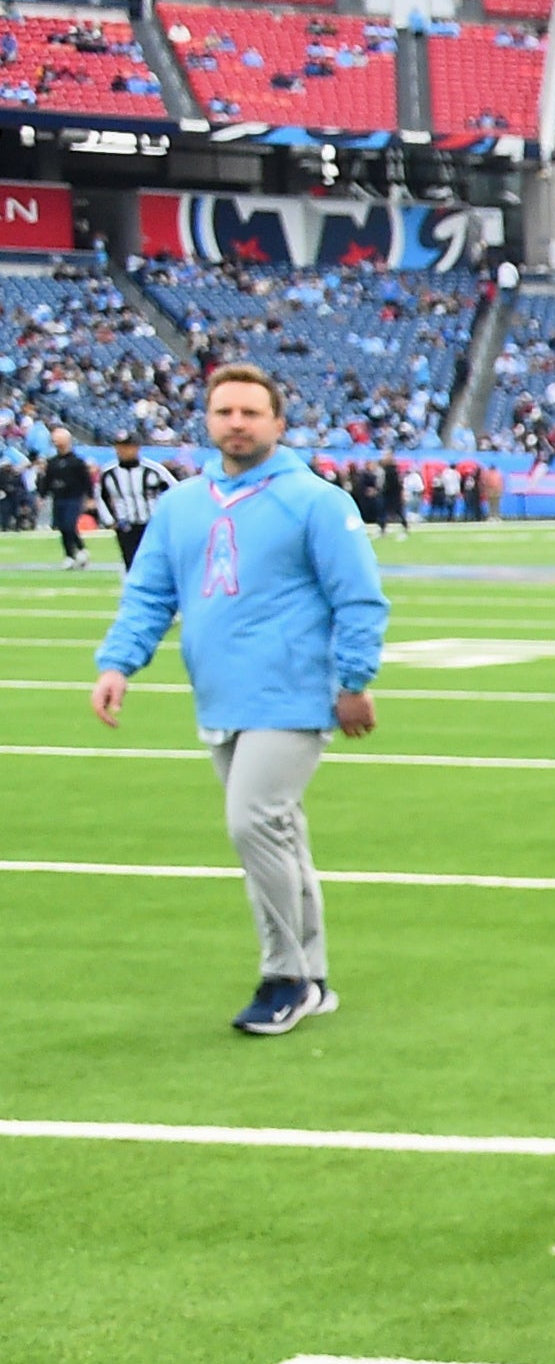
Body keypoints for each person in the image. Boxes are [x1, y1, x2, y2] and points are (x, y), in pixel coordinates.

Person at [84, 363, 386, 1036]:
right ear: (208, 420)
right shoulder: (183, 504)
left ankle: (284, 976)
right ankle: (313, 975)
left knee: (252, 822)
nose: (238, 423)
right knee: (281, 834)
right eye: (225, 412)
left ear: (278, 422)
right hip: (220, 693)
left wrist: (354, 681)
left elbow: (358, 596)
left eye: (252, 412)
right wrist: (118, 663)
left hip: (294, 693)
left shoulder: (314, 500)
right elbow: (150, 593)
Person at [95, 431, 169, 570]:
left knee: (155, 561)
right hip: (126, 525)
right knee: (131, 562)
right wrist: (110, 521)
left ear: (136, 447)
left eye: (127, 446)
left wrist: (167, 519)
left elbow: (175, 492)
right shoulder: (108, 472)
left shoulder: (154, 470)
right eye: (119, 446)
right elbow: (100, 497)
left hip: (152, 524)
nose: (122, 450)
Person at [43, 435, 96, 567]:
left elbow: (86, 481)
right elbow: (47, 480)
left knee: (69, 525)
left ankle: (80, 549)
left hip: (73, 497)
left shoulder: (77, 462)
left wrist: (90, 497)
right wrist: (42, 494)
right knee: (62, 528)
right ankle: (70, 555)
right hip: (58, 497)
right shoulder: (52, 462)